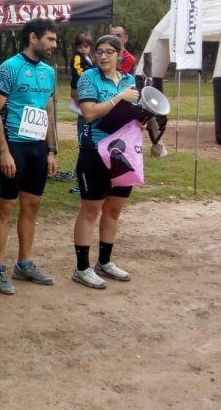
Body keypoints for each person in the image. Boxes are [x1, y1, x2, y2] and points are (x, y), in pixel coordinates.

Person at [0, 19, 59, 295]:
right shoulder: (9, 68)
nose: (54, 45)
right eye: (50, 39)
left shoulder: (48, 72)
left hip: (37, 148)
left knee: (32, 206)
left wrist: (51, 150)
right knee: (5, 208)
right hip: (13, 146)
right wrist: (3, 150)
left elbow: (49, 111)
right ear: (33, 37)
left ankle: (24, 264)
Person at [72, 34, 139, 289]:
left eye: (109, 51)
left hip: (122, 152)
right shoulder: (89, 78)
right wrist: (119, 98)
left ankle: (105, 262)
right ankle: (81, 267)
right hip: (94, 151)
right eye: (99, 51)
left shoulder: (129, 80)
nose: (103, 56)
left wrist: (141, 118)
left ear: (120, 55)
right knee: (90, 211)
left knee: (114, 210)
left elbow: (130, 111)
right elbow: (89, 113)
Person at [67, 32, 94, 193]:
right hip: (81, 96)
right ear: (77, 46)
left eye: (88, 45)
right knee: (83, 143)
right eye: (83, 45)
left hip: (86, 97)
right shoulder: (77, 58)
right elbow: (79, 72)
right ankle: (82, 181)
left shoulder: (90, 59)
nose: (86, 48)